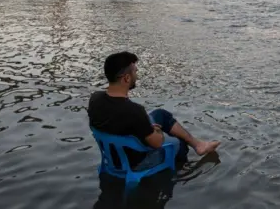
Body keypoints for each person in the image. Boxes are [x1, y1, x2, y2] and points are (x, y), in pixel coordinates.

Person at [88, 51, 220, 170]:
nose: (137, 76)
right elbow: (157, 142)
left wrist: (146, 127)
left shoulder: (95, 98)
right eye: (135, 72)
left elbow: (120, 120)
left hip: (111, 155)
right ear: (126, 78)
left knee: (160, 114)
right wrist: (156, 131)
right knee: (179, 144)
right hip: (132, 163)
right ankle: (179, 174)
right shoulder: (134, 111)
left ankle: (198, 145)